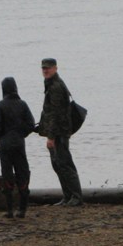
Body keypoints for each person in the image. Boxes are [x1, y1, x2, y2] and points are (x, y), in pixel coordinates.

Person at [38, 57, 84, 207]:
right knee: (58, 164)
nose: (45, 70)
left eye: (48, 68)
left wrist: (51, 137)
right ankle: (67, 196)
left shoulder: (56, 86)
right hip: (57, 131)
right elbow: (49, 111)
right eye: (44, 68)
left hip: (60, 133)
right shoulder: (50, 83)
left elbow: (56, 114)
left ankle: (76, 197)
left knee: (65, 164)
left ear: (55, 68)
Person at [0, 76, 37, 218]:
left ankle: (10, 210)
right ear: (15, 88)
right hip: (18, 143)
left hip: (4, 145)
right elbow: (31, 124)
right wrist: (21, 133)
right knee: (22, 172)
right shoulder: (22, 104)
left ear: (3, 90)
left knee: (7, 174)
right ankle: (22, 209)